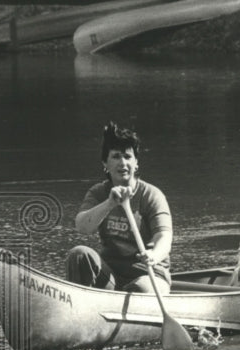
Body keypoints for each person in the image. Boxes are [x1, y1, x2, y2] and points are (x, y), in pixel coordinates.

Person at [66, 121, 172, 294]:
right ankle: (79, 311)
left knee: (140, 289)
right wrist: (109, 203)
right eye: (116, 156)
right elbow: (82, 227)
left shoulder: (151, 195)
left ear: (136, 163)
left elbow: (165, 237)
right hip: (112, 275)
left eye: (127, 156)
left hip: (150, 274)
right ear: (105, 164)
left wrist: (153, 256)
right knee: (78, 254)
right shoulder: (98, 192)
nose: (123, 163)